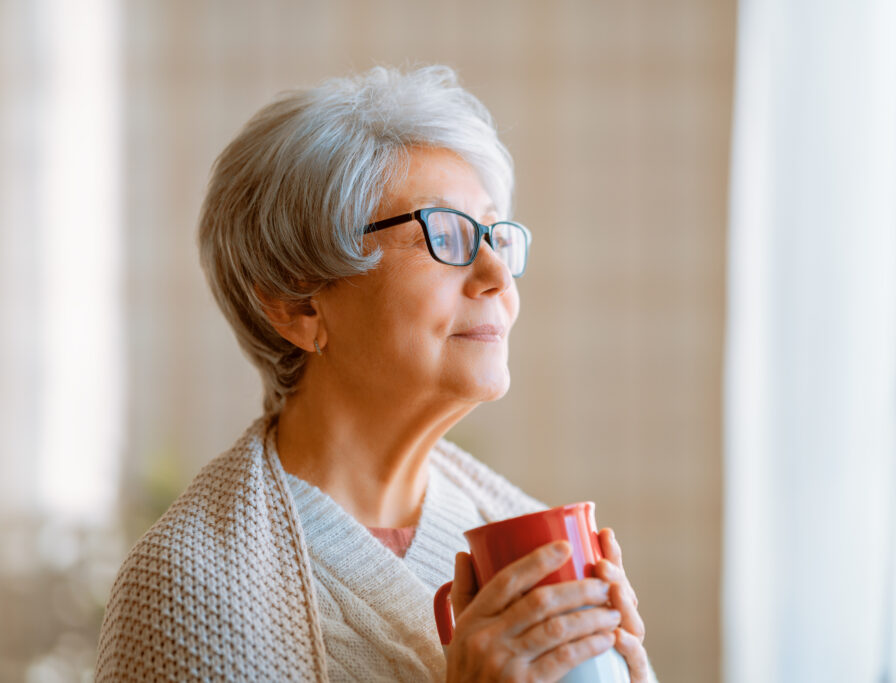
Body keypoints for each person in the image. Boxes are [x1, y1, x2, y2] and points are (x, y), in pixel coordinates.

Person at [97, 65, 651, 682]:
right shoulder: (189, 588)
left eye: (495, 235)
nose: (498, 275)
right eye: (445, 236)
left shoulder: (526, 536)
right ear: (297, 304)